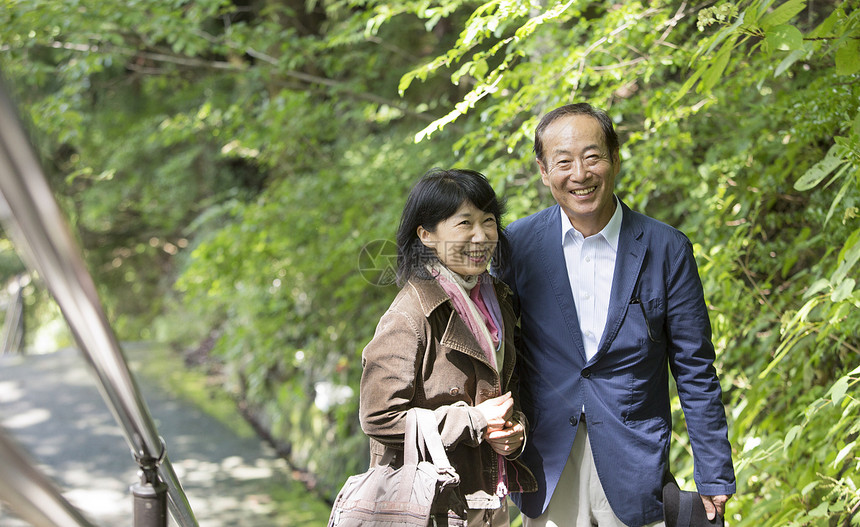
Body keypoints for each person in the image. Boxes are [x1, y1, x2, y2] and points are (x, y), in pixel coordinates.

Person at [499, 103, 736, 527]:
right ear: (542, 170)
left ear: (615, 158)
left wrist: (713, 472)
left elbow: (695, 367)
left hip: (635, 460)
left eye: (592, 157)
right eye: (563, 162)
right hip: (548, 457)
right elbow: (495, 350)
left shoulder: (666, 248)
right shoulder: (516, 246)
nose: (580, 174)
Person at [359, 168, 537, 526]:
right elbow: (378, 416)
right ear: (426, 235)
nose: (481, 235)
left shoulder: (496, 300)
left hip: (488, 495)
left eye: (489, 221)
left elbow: (507, 388)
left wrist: (515, 430)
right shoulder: (411, 314)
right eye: (464, 223)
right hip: (434, 504)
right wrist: (473, 421)